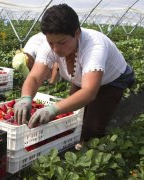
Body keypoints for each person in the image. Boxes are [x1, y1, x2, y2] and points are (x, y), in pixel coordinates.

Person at [14, 4, 135, 147]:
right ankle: (74, 139)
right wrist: (26, 97)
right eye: (51, 43)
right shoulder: (50, 46)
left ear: (77, 33)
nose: (56, 49)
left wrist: (53, 109)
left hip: (113, 80)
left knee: (92, 127)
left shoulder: (94, 46)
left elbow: (89, 92)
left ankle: (91, 147)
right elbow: (35, 77)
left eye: (62, 42)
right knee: (74, 116)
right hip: (82, 79)